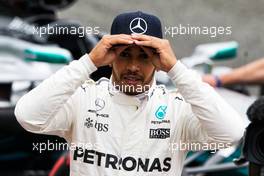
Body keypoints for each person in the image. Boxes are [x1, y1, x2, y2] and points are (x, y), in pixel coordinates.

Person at [15, 11, 245, 176]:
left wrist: (176, 69)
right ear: (110, 56)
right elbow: (28, 117)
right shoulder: (84, 98)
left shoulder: (177, 107)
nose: (133, 66)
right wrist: (88, 62)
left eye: (144, 57)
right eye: (125, 55)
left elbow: (231, 133)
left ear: (159, 60)